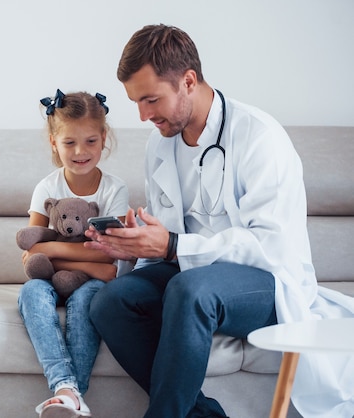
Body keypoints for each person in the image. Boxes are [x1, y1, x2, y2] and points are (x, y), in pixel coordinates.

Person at [84, 24, 354, 418]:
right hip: (188, 274)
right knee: (110, 302)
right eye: (136, 102)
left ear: (188, 81)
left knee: (192, 289)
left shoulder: (259, 138)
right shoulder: (161, 143)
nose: (143, 115)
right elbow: (165, 235)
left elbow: (269, 247)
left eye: (151, 99)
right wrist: (133, 242)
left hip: (266, 284)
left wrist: (175, 245)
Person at [18, 89, 129, 418]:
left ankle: (70, 394)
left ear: (103, 138)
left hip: (91, 285)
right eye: (69, 143)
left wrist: (53, 249)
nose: (81, 152)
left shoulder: (114, 190)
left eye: (91, 141)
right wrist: (84, 260)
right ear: (54, 143)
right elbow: (31, 253)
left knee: (86, 299)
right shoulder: (47, 189)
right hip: (53, 279)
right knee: (31, 290)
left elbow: (112, 256)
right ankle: (67, 387)